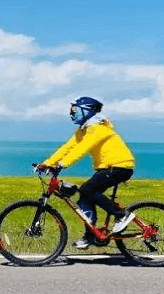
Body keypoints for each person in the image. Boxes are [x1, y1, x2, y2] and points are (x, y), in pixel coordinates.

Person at [38, 96, 136, 249]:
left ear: (87, 111)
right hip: (106, 168)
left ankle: (122, 215)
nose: (72, 113)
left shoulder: (98, 128)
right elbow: (68, 147)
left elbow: (81, 149)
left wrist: (62, 164)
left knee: (87, 190)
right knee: (84, 197)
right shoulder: (85, 129)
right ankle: (91, 235)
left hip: (119, 167)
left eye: (75, 110)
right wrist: (47, 163)